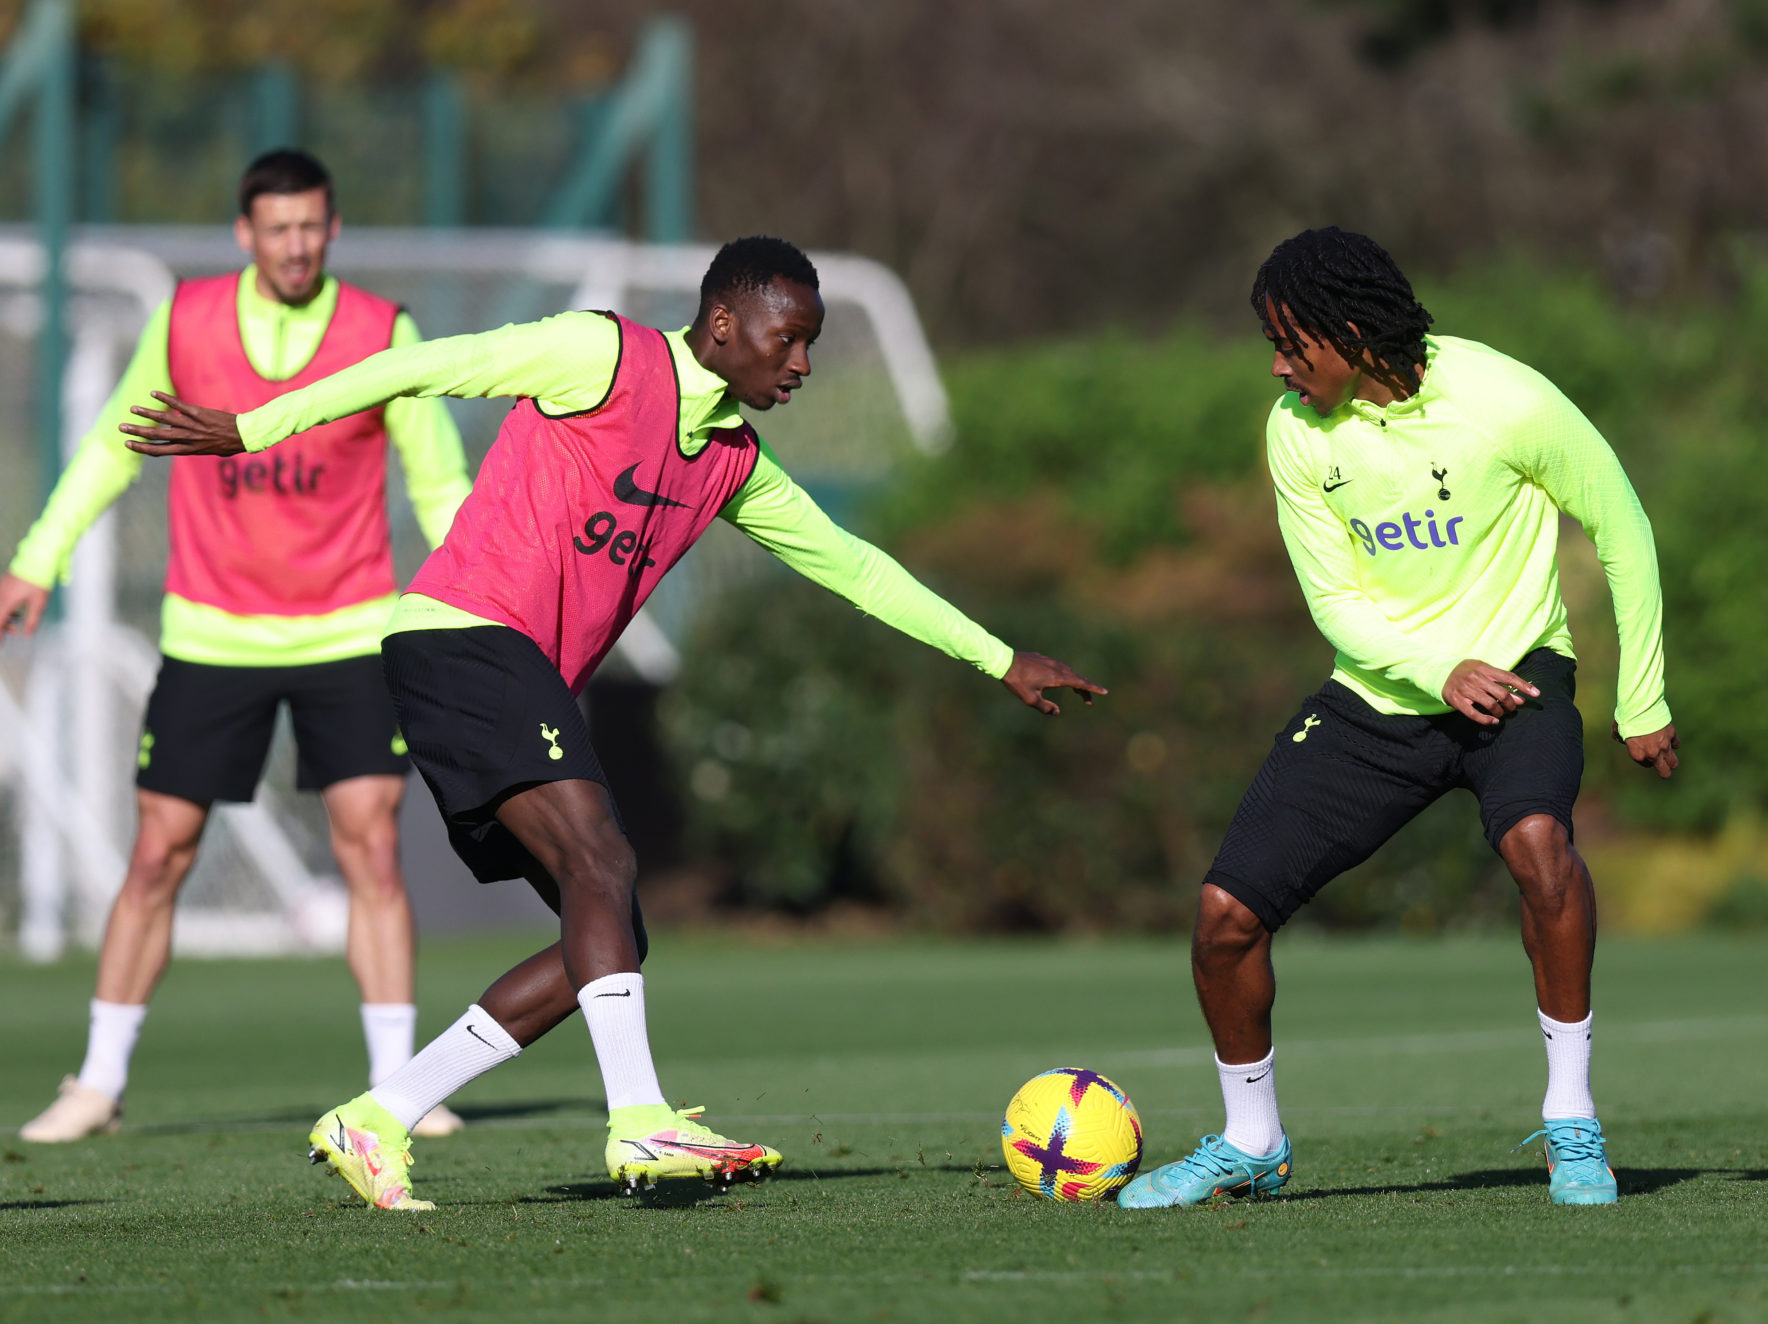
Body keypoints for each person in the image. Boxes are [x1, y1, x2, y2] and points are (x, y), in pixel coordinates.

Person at [122, 235, 1106, 1211]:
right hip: (463, 636)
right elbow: (420, 364)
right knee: (604, 862)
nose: (801, 362)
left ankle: (378, 1115)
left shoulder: (733, 462)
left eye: (810, 343)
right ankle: (640, 1119)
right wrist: (254, 427)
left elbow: (854, 565)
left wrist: (998, 655)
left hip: (506, 672)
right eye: (787, 338)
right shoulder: (599, 355)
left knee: (608, 935)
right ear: (723, 323)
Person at [1117, 227, 1679, 1210]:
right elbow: (1334, 604)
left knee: (1540, 846)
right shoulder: (1296, 431)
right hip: (1383, 697)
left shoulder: (1504, 397)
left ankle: (1571, 1120)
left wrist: (1644, 696)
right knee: (1222, 920)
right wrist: (1436, 667)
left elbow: (1621, 522)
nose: (1281, 366)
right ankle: (1252, 1142)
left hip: (1520, 680)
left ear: (1350, 330)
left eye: (1292, 344)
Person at [0, 150, 472, 1143]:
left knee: (374, 849)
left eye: (312, 226)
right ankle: (97, 1080)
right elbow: (111, 448)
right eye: (277, 228)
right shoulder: (185, 321)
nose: (296, 244)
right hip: (212, 636)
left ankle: (397, 1086)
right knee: (160, 852)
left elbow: (439, 482)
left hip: (350, 631)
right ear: (243, 235)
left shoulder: (384, 331)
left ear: (333, 228)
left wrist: (486, 593)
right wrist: (37, 559)